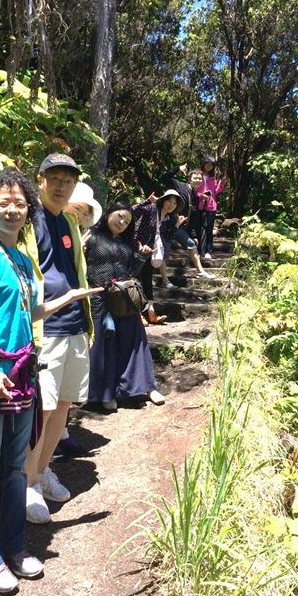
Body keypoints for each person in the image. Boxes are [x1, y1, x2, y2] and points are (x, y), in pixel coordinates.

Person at [0, 168, 100, 594]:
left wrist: (69, 298)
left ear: (28, 211)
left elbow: (29, 314)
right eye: (3, 203)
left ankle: (12, 547)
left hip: (23, 375)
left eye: (19, 204)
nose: (12, 210)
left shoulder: (23, 261)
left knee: (12, 469)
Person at [21, 153, 95, 524]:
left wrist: (87, 325)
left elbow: (76, 271)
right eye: (55, 177)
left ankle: (43, 469)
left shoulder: (68, 220)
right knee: (43, 409)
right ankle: (28, 484)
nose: (62, 184)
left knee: (64, 406)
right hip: (44, 327)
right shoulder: (27, 218)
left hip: (74, 325)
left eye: (68, 179)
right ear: (41, 179)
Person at [84, 202, 165, 412]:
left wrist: (141, 256)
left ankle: (145, 388)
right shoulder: (91, 237)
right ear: (109, 213)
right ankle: (105, 394)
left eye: (127, 221)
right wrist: (80, 248)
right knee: (104, 347)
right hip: (98, 299)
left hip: (124, 297)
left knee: (135, 340)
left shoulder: (129, 242)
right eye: (120, 216)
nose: (122, 222)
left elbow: (131, 272)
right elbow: (79, 267)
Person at [54, 181, 104, 460]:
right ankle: (43, 460)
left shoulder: (73, 232)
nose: (81, 217)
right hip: (51, 321)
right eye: (79, 209)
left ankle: (61, 436)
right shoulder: (50, 226)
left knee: (65, 394)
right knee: (49, 398)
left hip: (74, 319)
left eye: (85, 213)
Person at [133, 189, 183, 324]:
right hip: (137, 249)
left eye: (174, 203)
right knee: (135, 281)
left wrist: (177, 225)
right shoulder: (151, 209)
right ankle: (137, 314)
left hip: (151, 251)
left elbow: (167, 238)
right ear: (163, 200)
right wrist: (147, 201)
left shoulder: (168, 219)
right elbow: (132, 212)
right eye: (169, 201)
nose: (171, 205)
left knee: (147, 281)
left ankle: (151, 313)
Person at [160, 163, 215, 281]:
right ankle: (165, 280)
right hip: (168, 225)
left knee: (191, 244)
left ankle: (200, 271)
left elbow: (193, 216)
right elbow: (164, 178)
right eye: (195, 178)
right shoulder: (180, 186)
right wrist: (178, 168)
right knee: (164, 251)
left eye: (200, 179)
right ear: (189, 179)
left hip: (180, 227)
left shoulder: (195, 196)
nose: (198, 181)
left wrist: (194, 235)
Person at [198, 155, 225, 259]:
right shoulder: (198, 175)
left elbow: (216, 192)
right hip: (199, 205)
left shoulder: (213, 178)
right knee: (199, 228)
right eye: (207, 164)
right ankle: (199, 250)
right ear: (203, 164)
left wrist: (221, 183)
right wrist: (201, 196)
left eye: (211, 165)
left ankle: (208, 251)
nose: (209, 166)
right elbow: (194, 190)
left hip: (211, 206)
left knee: (209, 229)